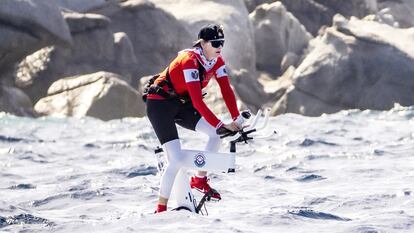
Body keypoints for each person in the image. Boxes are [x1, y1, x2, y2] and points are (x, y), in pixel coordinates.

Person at [144, 24, 244, 213]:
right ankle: (160, 209)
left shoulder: (217, 61)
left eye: (222, 42)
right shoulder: (189, 60)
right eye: (215, 43)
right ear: (203, 43)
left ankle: (199, 179)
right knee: (176, 160)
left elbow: (226, 90)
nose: (219, 46)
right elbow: (198, 102)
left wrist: (237, 119)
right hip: (160, 105)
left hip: (182, 104)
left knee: (215, 135)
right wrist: (222, 125)